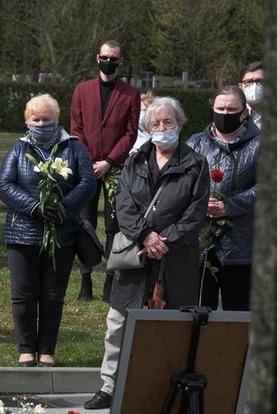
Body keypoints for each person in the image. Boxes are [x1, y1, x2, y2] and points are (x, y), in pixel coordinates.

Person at [84, 97, 209, 410]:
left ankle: (160, 388)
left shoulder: (196, 163)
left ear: (180, 125)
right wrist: (146, 235)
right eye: (156, 124)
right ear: (147, 128)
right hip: (135, 256)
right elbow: (122, 204)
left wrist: (165, 239)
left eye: (168, 123)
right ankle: (109, 387)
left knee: (170, 330)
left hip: (176, 258)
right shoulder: (135, 160)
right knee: (118, 324)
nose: (162, 128)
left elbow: (196, 213)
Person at [0, 94, 96, 368]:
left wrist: (64, 208)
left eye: (46, 119)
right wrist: (34, 207)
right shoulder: (18, 149)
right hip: (22, 233)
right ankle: (26, 349)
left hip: (61, 233)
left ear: (57, 120)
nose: (41, 124)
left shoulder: (74, 148)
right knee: (24, 293)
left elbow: (87, 182)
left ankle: (47, 350)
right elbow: (4, 186)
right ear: (27, 121)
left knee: (53, 294)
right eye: (35, 119)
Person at [70, 40, 141, 301]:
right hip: (86, 167)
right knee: (85, 223)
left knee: (114, 225)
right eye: (105, 57)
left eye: (114, 58)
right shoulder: (82, 90)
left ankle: (111, 282)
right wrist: (89, 162)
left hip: (115, 169)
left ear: (120, 62)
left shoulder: (130, 93)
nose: (108, 62)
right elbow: (76, 128)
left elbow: (130, 133)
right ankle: (85, 279)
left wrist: (109, 162)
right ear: (97, 57)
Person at [186, 86, 259, 311]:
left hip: (242, 246)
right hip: (200, 244)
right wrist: (201, 203)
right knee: (196, 313)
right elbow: (181, 185)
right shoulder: (195, 143)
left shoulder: (262, 144)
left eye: (231, 109)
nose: (225, 113)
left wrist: (230, 206)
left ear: (244, 112)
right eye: (220, 108)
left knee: (238, 317)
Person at [238, 61, 263, 130]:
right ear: (240, 87)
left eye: (260, 81)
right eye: (248, 82)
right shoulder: (233, 114)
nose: (254, 86)